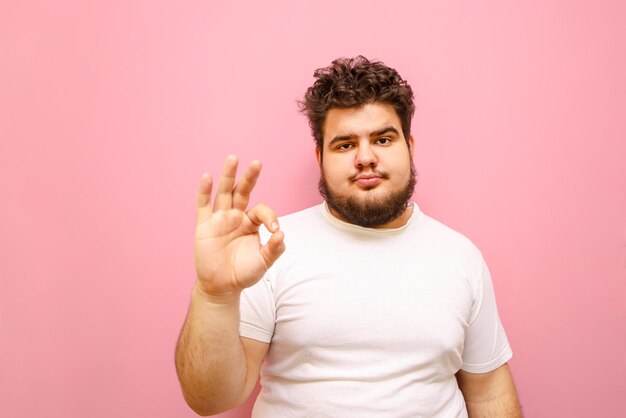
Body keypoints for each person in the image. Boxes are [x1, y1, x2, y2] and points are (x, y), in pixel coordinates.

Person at [175, 56, 522, 417]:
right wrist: (214, 295)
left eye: (383, 139)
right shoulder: (269, 247)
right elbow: (210, 400)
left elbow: (489, 393)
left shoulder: (460, 256)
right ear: (320, 157)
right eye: (344, 145)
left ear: (410, 146)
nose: (365, 157)